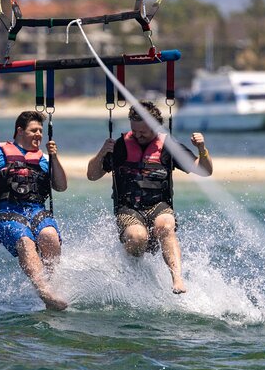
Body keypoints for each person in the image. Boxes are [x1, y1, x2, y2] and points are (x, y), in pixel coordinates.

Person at [86, 101, 213, 294]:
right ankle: (136, 273)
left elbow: (205, 171)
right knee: (137, 237)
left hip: (158, 206)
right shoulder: (120, 146)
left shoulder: (168, 147)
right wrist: (103, 151)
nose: (138, 135)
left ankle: (177, 279)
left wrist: (202, 148)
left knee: (166, 225)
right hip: (128, 209)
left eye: (143, 131)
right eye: (135, 130)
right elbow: (92, 175)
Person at [0, 111, 68, 310]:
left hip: (37, 210)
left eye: (41, 131)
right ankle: (44, 292)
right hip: (7, 213)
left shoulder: (43, 159)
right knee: (25, 242)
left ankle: (53, 283)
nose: (39, 135)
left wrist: (54, 157)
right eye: (34, 130)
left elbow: (61, 186)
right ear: (20, 131)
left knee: (49, 236)